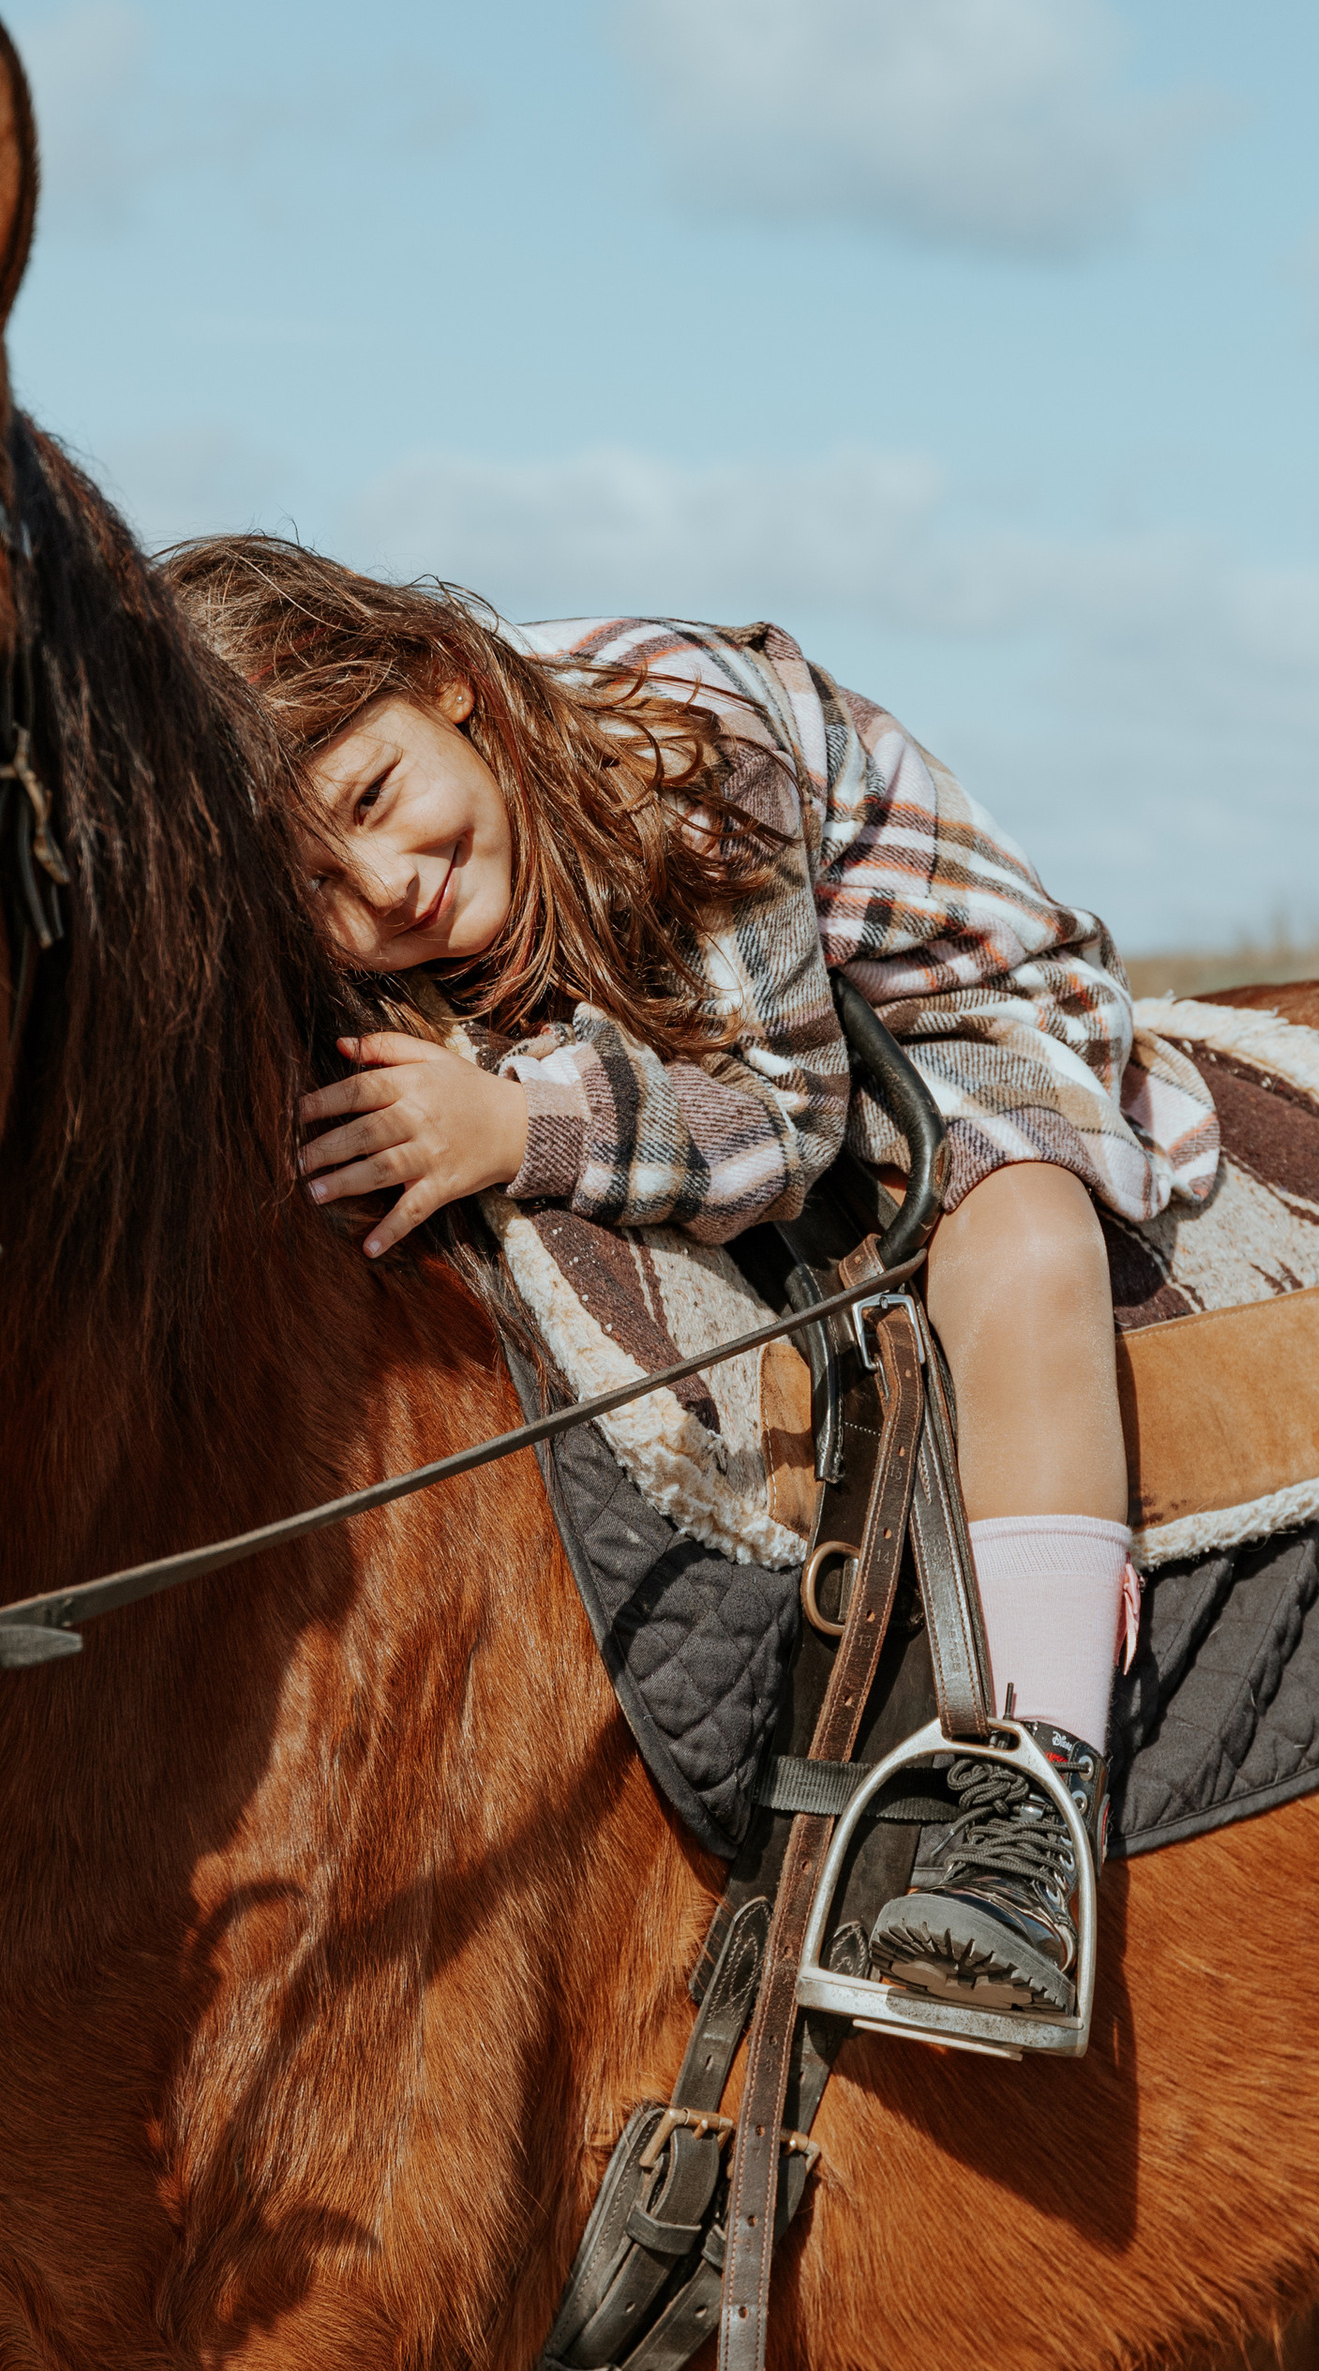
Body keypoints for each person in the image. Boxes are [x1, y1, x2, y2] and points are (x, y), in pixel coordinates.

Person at [165, 539, 1221, 2025]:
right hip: (664, 1029)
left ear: (451, 687)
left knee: (1020, 1229)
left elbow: (789, 1126)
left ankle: (1028, 1805)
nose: (388, 884)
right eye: (319, 888)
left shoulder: (686, 751)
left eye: (376, 801)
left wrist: (519, 1125)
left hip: (906, 1032)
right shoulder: (420, 876)